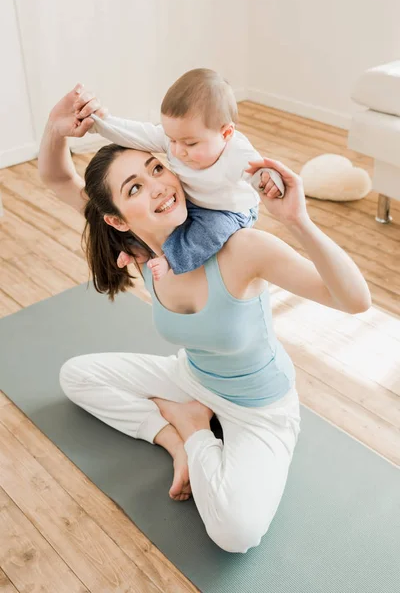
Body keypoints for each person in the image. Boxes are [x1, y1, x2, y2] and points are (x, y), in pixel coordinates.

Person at [38, 86, 371, 554]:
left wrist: (299, 221)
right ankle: (181, 435)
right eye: (134, 187)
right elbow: (55, 177)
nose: (156, 185)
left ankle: (193, 428)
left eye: (157, 167)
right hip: (191, 379)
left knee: (236, 534)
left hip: (260, 409)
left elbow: (355, 301)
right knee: (76, 376)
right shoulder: (141, 253)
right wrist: (57, 127)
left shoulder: (242, 250)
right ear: (116, 220)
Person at [86, 68, 284, 280]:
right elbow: (136, 133)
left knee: (210, 230)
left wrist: (271, 181)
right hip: (194, 200)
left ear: (225, 133)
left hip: (228, 211)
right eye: (172, 140)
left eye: (190, 143)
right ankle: (139, 248)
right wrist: (100, 124)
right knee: (160, 217)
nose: (178, 150)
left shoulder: (237, 153)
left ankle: (171, 259)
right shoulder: (176, 138)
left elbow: (262, 172)